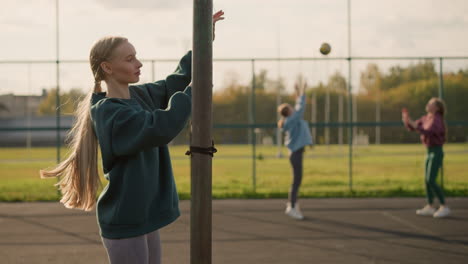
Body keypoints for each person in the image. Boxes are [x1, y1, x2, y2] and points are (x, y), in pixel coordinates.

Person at [40, 11, 225, 264]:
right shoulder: (110, 113)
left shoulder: (139, 96)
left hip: (143, 216)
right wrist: (198, 89)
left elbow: (177, 81)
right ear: (108, 67)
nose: (138, 63)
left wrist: (202, 44)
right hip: (125, 220)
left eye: (135, 56)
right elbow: (159, 127)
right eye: (129, 59)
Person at [402, 97, 450, 218]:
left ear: (437, 108)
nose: (428, 104)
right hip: (429, 151)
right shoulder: (426, 117)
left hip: (436, 151)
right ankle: (430, 206)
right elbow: (414, 127)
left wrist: (414, 124)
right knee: (426, 180)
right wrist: (407, 120)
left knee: (431, 180)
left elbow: (427, 131)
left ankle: (444, 206)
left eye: (431, 103)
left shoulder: (437, 119)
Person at [277, 80, 313, 220]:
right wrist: (302, 91)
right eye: (291, 107)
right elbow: (301, 106)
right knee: (296, 180)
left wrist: (299, 91)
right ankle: (291, 207)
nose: (293, 108)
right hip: (296, 154)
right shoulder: (292, 120)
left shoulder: (291, 120)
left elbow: (299, 106)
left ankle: (292, 204)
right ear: (288, 111)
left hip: (296, 153)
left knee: (297, 180)